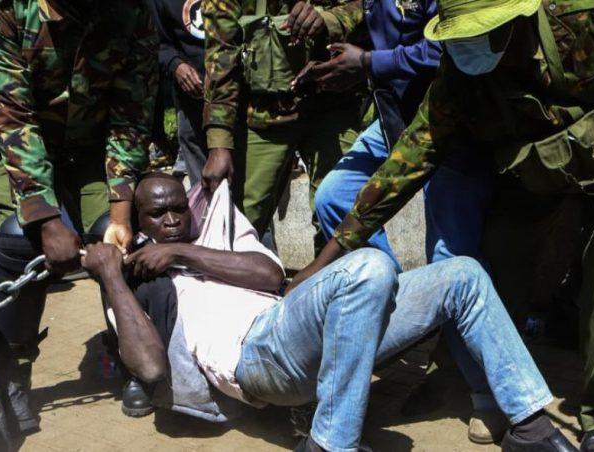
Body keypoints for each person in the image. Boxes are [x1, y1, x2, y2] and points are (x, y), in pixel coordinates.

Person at [288, 0, 594, 450]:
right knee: (493, 275)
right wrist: (325, 259)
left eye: (477, 33)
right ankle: (499, 396)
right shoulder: (461, 72)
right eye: (458, 37)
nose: (466, 47)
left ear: (514, 23)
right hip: (536, 177)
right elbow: (403, 168)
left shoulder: (584, 21)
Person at [82, 173, 577, 452]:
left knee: (462, 274)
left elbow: (269, 276)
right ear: (140, 221)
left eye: (177, 210)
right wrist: (110, 275)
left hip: (311, 333)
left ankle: (530, 427)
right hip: (257, 357)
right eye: (156, 214)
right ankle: (331, 445)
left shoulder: (214, 235)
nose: (170, 221)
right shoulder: (143, 277)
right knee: (368, 267)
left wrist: (184, 252)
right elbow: (148, 366)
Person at [302, 0, 507, 444]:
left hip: (451, 124)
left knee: (451, 259)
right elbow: (368, 13)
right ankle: (396, 310)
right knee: (335, 195)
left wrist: (370, 63)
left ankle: (488, 395)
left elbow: (448, 46)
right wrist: (328, 25)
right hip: (395, 119)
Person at [0, 0, 157, 432]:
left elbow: (132, 114)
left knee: (122, 239)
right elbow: (12, 116)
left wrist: (120, 215)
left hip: (94, 149)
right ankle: (16, 371)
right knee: (22, 237)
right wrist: (45, 216)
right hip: (20, 145)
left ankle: (130, 351)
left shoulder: (133, 10)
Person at [201, 0, 365, 247]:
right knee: (241, 222)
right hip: (264, 114)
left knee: (345, 215)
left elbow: (372, 8)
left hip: (334, 106)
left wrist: (328, 20)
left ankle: (339, 282)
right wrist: (219, 142)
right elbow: (221, 58)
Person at [148, 0, 209, 186]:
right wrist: (176, 65)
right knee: (193, 144)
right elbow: (157, 40)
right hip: (191, 94)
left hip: (235, 87)